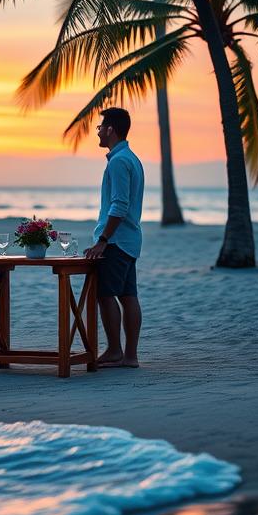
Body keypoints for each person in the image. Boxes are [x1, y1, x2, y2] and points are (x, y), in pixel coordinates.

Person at [84, 107, 144, 368]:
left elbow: (119, 205)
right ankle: (129, 355)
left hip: (117, 241)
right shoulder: (131, 158)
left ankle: (115, 351)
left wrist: (103, 240)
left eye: (100, 127)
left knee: (105, 294)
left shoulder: (120, 162)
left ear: (110, 129)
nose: (97, 131)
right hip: (130, 239)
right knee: (128, 295)